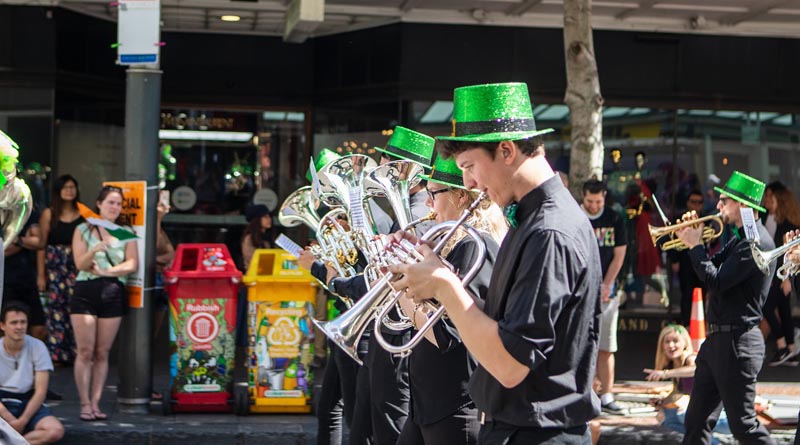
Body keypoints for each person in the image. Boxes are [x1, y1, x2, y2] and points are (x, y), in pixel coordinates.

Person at [389, 82, 602, 444]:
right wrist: (429, 270)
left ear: (506, 150)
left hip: (536, 433)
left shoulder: (549, 231)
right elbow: (501, 324)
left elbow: (510, 366)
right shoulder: (531, 219)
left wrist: (445, 286)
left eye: (470, 166)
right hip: (516, 427)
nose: (469, 182)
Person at [396, 152, 506, 445]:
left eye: (433, 193)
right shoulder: (452, 246)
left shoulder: (474, 247)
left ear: (460, 196)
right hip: (430, 401)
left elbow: (446, 334)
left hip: (454, 404)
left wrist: (400, 290)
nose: (427, 203)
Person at [675, 170, 776, 445]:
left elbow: (716, 281)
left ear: (742, 205)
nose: (718, 205)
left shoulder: (755, 243)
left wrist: (695, 246)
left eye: (724, 201)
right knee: (696, 422)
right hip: (718, 341)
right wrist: (693, 238)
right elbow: (711, 267)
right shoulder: (739, 237)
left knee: (744, 426)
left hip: (737, 342)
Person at [71, 185, 139, 421]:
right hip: (86, 289)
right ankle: (84, 403)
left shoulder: (125, 232)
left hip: (112, 290)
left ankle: (96, 402)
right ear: (99, 204)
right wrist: (95, 250)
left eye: (118, 204)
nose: (115, 207)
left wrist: (107, 271)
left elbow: (132, 264)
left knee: (102, 352)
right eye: (110, 202)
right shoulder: (83, 229)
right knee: (85, 351)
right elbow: (80, 264)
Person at [581, 179, 627, 415]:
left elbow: (620, 255)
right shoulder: (576, 215)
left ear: (604, 197)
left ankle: (607, 393)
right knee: (581, 343)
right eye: (590, 201)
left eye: (598, 201)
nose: (594, 206)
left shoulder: (614, 218)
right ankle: (584, 391)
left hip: (607, 289)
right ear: (583, 196)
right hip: (580, 288)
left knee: (606, 344)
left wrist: (607, 283)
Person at [643, 324, 730, 443]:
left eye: (675, 341)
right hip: (701, 414)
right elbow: (678, 394)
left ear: (684, 343)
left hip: (722, 415)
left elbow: (695, 369)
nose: (671, 345)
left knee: (682, 414)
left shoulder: (690, 358)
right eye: (667, 341)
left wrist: (665, 373)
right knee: (668, 419)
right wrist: (661, 403)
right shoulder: (676, 365)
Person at [0, 301, 65, 445]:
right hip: (2, 403)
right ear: (2, 325)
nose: (19, 327)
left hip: (28, 401)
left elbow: (41, 391)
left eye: (23, 322)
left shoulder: (38, 346)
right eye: (14, 322)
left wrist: (23, 421)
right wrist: (9, 419)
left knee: (55, 431)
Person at [37, 174, 84, 365]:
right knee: (55, 309)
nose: (69, 191)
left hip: (76, 265)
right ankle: (57, 354)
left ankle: (77, 352)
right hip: (55, 267)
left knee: (76, 308)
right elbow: (42, 246)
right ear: (58, 191)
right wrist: (41, 275)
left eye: (72, 187)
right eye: (65, 187)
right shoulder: (49, 214)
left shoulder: (83, 213)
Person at [762, 186, 800, 366]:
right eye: (767, 196)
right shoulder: (764, 217)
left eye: (771, 197)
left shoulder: (788, 224)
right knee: (783, 310)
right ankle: (790, 350)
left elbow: (788, 252)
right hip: (770, 271)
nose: (767, 200)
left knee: (767, 307)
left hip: (781, 273)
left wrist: (786, 278)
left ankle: (782, 344)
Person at [3, 207, 46, 341]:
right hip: (3, 280)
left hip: (26, 278)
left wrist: (16, 240)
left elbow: (39, 242)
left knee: (39, 328)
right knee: (4, 327)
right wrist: (24, 241)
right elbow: (3, 251)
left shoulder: (26, 212)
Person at [668, 190, 707, 326]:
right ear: (687, 203)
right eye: (693, 202)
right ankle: (686, 323)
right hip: (685, 261)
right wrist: (674, 260)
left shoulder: (705, 220)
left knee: (702, 292)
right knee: (687, 293)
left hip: (702, 261)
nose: (696, 205)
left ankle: (700, 325)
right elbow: (672, 240)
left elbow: (712, 243)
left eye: (699, 202)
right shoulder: (680, 220)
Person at [241, 204, 274, 270]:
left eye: (269, 216)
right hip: (254, 273)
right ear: (257, 220)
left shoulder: (269, 238)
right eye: (265, 217)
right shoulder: (249, 238)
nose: (269, 219)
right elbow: (252, 259)